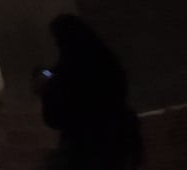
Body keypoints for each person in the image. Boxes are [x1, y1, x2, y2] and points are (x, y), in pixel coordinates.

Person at [38, 15, 144, 170]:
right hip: (118, 139)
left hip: (86, 147)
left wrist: (46, 90)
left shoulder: (67, 73)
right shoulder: (105, 59)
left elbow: (54, 117)